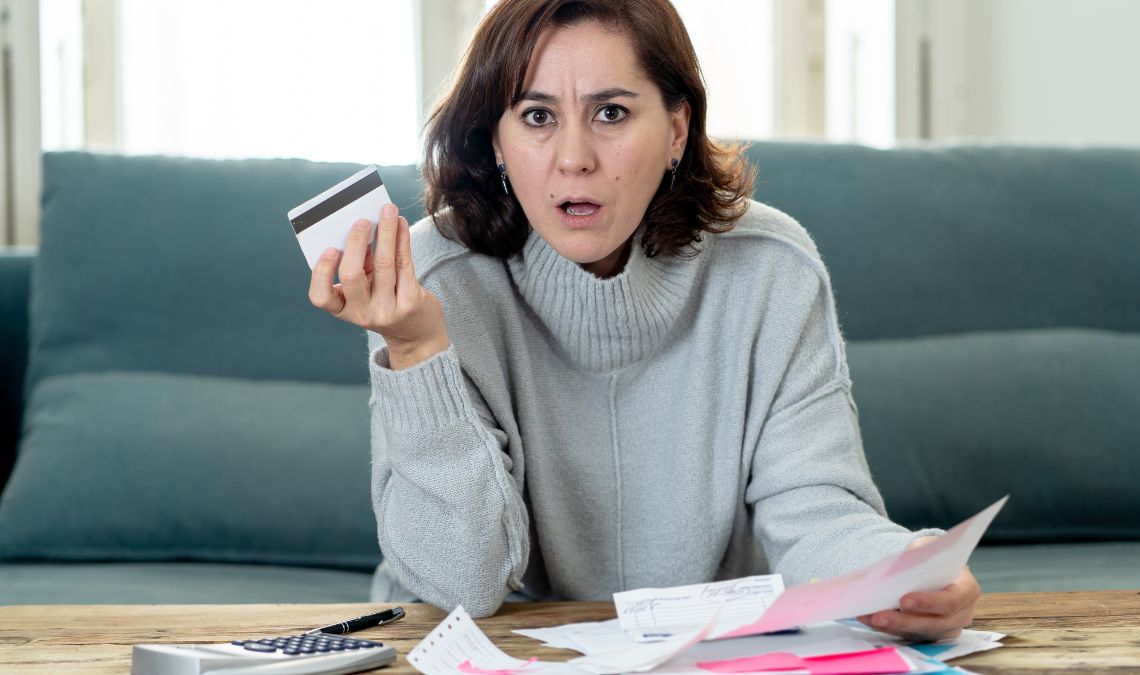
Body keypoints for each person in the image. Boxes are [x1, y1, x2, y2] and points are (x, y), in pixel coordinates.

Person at [308, 0, 979, 641]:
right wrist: (418, 347)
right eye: (537, 116)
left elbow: (816, 511)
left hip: (708, 654)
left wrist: (906, 568)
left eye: (610, 112)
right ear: (497, 142)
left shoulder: (772, 270)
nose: (574, 158)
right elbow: (463, 584)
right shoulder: (428, 277)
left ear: (677, 131)